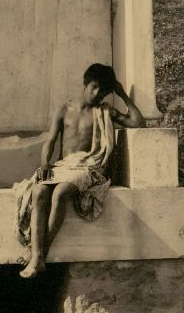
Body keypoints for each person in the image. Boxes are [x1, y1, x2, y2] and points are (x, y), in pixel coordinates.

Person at [15, 63, 145, 278]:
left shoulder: (104, 111)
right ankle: (37, 257)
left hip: (87, 167)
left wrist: (122, 94)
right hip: (63, 166)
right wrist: (44, 163)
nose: (97, 93)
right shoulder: (64, 110)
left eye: (103, 91)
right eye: (94, 87)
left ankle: (37, 256)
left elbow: (138, 123)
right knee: (38, 192)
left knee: (60, 192)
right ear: (86, 83)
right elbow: (50, 140)